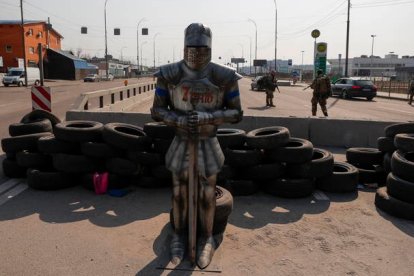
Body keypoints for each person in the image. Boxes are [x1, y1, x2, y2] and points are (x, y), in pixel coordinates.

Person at [151, 23, 243, 269]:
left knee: (206, 194)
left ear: (210, 47)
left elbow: (236, 113)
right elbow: (157, 109)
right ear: (184, 46)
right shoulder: (169, 73)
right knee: (179, 192)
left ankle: (206, 238)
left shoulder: (222, 75)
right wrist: (177, 119)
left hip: (207, 141)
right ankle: (179, 235)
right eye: (192, 47)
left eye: (202, 47)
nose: (196, 52)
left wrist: (208, 117)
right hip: (180, 140)